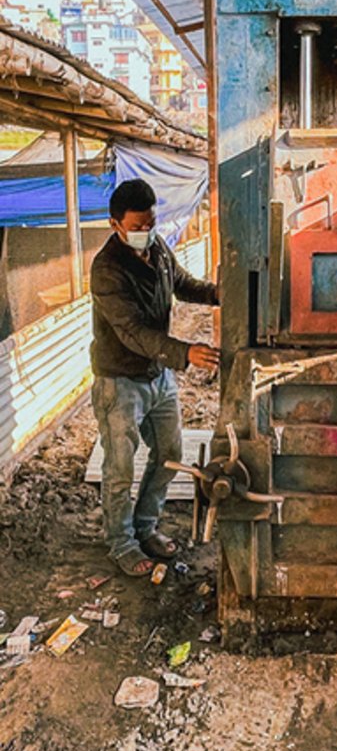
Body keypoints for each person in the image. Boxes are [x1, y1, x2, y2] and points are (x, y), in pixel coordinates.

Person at [90, 178, 220, 577]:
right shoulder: (107, 269)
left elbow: (182, 284)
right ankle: (121, 542)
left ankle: (145, 527)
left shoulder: (158, 248)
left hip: (157, 375)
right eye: (138, 226)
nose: (146, 231)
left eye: (151, 222)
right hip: (120, 380)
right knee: (119, 469)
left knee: (169, 456)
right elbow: (131, 332)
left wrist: (221, 292)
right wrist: (184, 352)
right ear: (116, 224)